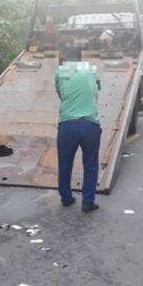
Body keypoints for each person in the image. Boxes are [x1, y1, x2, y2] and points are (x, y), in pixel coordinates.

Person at [55, 61, 101, 212]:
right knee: (90, 164)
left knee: (65, 164)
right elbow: (96, 90)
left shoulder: (61, 71)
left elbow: (61, 94)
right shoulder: (91, 69)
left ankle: (66, 198)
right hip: (90, 124)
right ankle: (87, 202)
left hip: (67, 125)